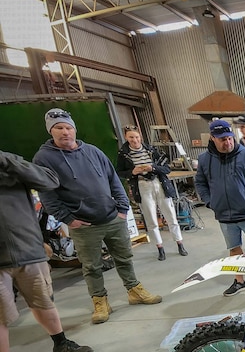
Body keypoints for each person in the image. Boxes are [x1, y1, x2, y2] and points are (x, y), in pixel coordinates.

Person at [33, 108, 162, 324]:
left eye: (68, 127)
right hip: (83, 224)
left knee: (124, 258)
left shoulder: (92, 151)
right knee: (91, 266)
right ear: (50, 131)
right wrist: (69, 219)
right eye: (59, 128)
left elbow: (114, 180)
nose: (65, 132)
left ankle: (134, 290)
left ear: (74, 129)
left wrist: (122, 209)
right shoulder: (44, 158)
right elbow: (47, 194)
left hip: (112, 217)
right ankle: (100, 300)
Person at [0, 150, 94, 352]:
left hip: (27, 251)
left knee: (43, 302)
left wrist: (7, 160)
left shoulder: (11, 164)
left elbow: (49, 180)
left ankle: (60, 343)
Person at [194, 119, 245, 296]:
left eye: (229, 138)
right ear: (212, 138)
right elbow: (200, 183)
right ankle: (239, 281)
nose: (227, 142)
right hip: (225, 216)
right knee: (234, 249)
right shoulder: (204, 160)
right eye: (222, 139)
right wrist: (210, 201)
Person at [116, 125, 188, 261]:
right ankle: (160, 248)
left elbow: (166, 168)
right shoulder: (123, 154)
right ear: (126, 137)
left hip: (159, 183)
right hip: (142, 185)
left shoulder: (151, 150)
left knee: (171, 216)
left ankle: (180, 243)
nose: (135, 140)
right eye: (131, 137)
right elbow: (119, 172)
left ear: (141, 137)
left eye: (137, 137)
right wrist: (132, 172)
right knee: (151, 219)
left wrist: (153, 167)